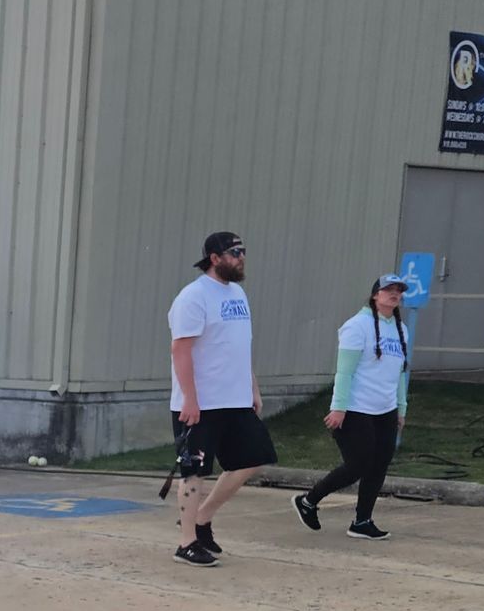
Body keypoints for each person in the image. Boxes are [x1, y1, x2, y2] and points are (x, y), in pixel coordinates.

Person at [166, 232, 275, 566]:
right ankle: (187, 543)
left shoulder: (238, 293)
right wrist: (190, 399)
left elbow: (239, 346)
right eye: (235, 252)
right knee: (194, 472)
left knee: (254, 457)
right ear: (214, 258)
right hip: (202, 403)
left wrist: (252, 387)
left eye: (243, 251)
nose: (241, 258)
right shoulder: (193, 296)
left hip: (235, 399)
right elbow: (180, 350)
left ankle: (202, 519)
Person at [293, 273, 411, 540]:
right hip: (357, 408)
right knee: (358, 464)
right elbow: (344, 371)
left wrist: (401, 408)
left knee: (379, 465)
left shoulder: (401, 329)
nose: (394, 294)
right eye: (388, 290)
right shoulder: (357, 326)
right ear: (375, 295)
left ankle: (362, 521)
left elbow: (399, 373)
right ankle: (309, 500)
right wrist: (339, 407)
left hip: (386, 409)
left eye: (398, 290)